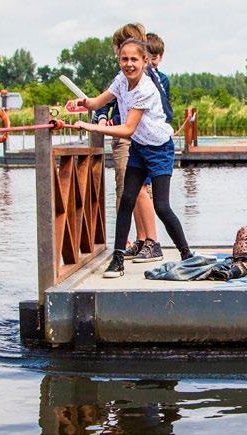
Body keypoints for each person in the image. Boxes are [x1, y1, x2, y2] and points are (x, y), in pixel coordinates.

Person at [69, 38, 193, 278]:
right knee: (126, 199)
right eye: (124, 59)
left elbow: (127, 129)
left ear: (145, 61)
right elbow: (97, 102)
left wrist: (93, 128)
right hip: (139, 147)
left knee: (162, 206)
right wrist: (82, 103)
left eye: (134, 59)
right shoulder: (120, 80)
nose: (129, 64)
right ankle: (117, 259)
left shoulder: (146, 89)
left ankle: (187, 255)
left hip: (159, 149)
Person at [93, 24, 162, 264]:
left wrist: (97, 125)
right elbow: (104, 99)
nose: (120, 56)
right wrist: (99, 115)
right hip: (130, 135)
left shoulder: (146, 76)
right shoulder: (124, 76)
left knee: (135, 189)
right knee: (131, 191)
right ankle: (141, 240)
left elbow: (161, 108)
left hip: (133, 136)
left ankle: (150, 241)